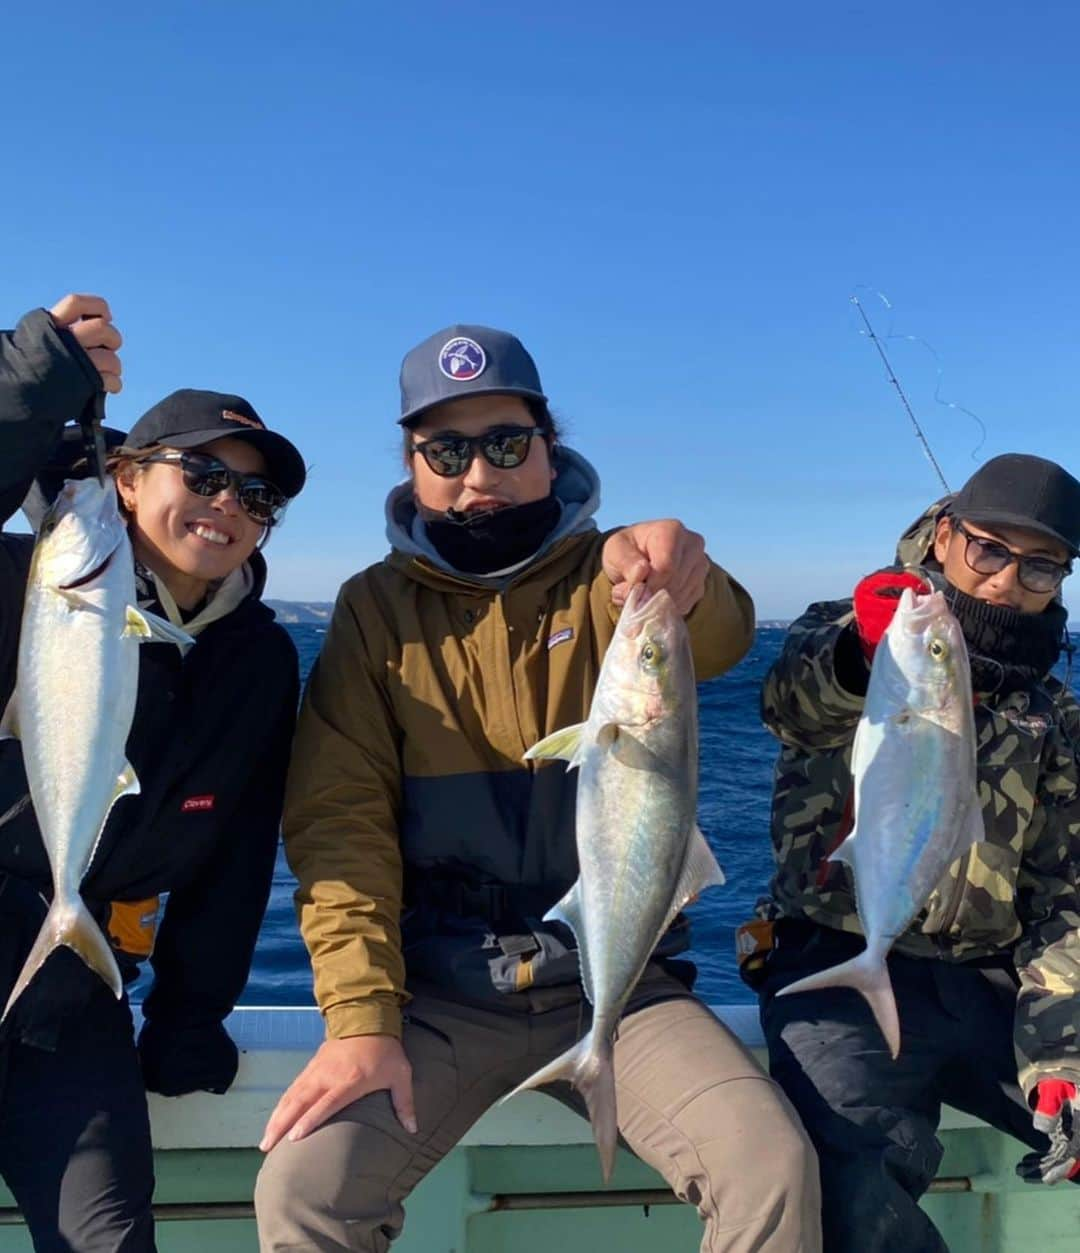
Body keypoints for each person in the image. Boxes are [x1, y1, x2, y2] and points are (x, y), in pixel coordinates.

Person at [254, 324, 822, 1252]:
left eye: (507, 444)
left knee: (772, 1170)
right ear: (412, 462)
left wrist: (688, 577)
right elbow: (337, 824)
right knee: (304, 1191)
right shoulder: (370, 610)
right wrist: (362, 1018)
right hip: (442, 990)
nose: (479, 474)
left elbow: (718, 640)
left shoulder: (616, 579)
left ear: (550, 452)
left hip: (623, 988)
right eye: (448, 449)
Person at [0, 293, 307, 1251]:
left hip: (69, 988)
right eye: (206, 473)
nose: (227, 504)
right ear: (126, 479)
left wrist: (188, 1012)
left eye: (255, 495)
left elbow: (237, 855)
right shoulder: (28, 578)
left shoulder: (257, 657)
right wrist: (36, 375)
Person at [745, 453, 1080, 1252]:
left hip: (993, 980)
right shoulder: (864, 636)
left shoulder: (1055, 710)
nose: (1006, 581)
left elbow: (1064, 889)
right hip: (837, 956)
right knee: (852, 1184)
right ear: (943, 536)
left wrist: (1061, 1049)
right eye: (989, 549)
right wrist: (863, 651)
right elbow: (791, 702)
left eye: (1040, 565)